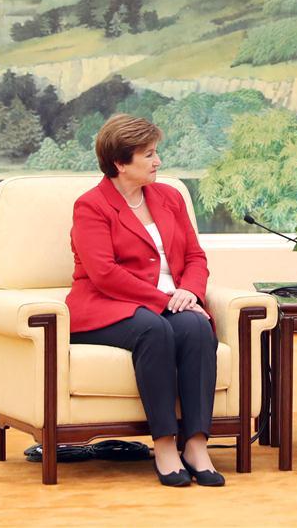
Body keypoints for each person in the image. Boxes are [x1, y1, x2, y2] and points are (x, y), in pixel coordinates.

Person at [66, 114, 224, 487]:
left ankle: (197, 444)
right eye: (149, 154)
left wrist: (190, 293)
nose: (158, 161)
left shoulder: (169, 197)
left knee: (197, 327)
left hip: (170, 300)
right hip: (107, 304)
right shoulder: (91, 206)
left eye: (156, 152)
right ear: (120, 163)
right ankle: (165, 444)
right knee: (154, 329)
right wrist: (165, 299)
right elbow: (103, 273)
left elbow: (196, 257)